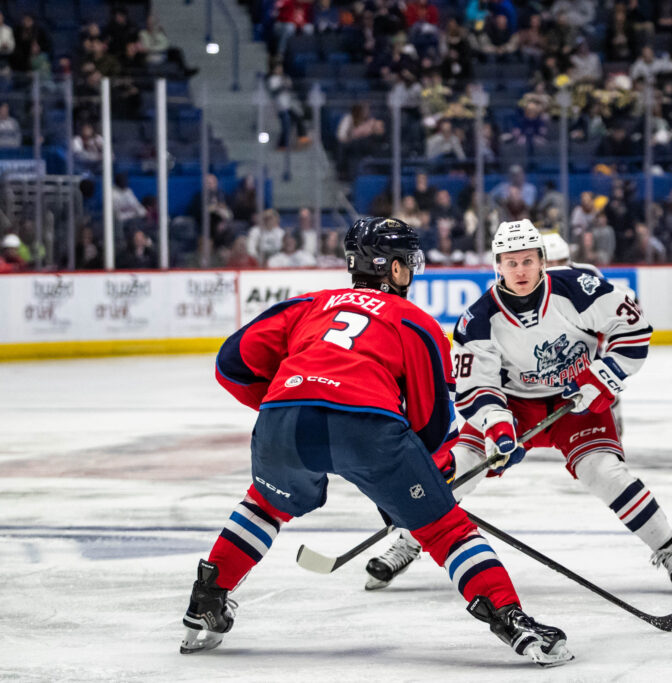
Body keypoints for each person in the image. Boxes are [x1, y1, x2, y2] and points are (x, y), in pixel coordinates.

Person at [180, 217, 573, 667]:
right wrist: (418, 485)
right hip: (369, 429)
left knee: (264, 504)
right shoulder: (414, 320)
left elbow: (231, 363)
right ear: (398, 270)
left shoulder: (311, 302)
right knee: (445, 528)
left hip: (283, 419)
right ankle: (509, 617)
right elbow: (429, 421)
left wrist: (284, 403)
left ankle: (205, 605)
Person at [363, 220, 672, 595]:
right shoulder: (478, 319)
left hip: (575, 401)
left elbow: (635, 331)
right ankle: (411, 540)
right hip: (512, 406)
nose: (520, 270)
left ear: (543, 261)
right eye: (511, 263)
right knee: (458, 468)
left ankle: (669, 548)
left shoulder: (578, 289)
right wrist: (496, 424)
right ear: (497, 265)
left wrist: (603, 376)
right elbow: (474, 386)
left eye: (528, 261)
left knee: (606, 472)